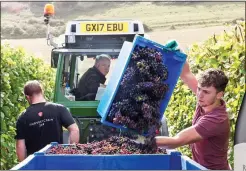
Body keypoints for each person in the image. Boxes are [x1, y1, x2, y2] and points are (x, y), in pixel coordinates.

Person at [155, 61, 231, 170]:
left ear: (219, 95)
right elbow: (186, 74)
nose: (199, 95)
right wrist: (178, 54)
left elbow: (176, 141)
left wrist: (145, 141)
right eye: (199, 89)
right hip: (199, 167)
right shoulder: (206, 100)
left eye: (206, 92)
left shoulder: (216, 120)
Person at [15, 80, 80, 162]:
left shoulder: (23, 117)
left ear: (27, 97)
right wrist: (70, 153)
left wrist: (25, 165)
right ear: (42, 91)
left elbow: (20, 146)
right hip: (56, 160)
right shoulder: (59, 109)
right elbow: (74, 130)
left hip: (36, 163)